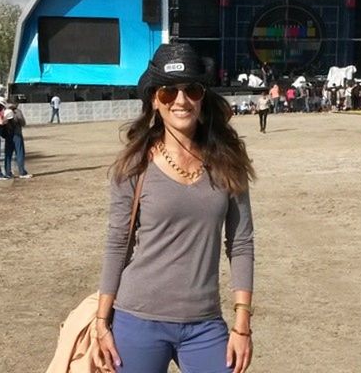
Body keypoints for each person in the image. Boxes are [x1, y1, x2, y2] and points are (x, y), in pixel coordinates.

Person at [95, 43, 255, 373]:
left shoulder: (228, 165)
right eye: (168, 93)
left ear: (202, 97)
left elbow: (240, 244)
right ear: (154, 100)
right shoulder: (134, 166)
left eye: (191, 90)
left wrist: (242, 325)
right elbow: (116, 244)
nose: (180, 101)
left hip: (204, 324)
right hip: (137, 318)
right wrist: (101, 320)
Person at [3, 104, 32, 178]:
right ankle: (22, 172)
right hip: (17, 134)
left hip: (8, 135)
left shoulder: (4, 111)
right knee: (19, 153)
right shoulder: (17, 112)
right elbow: (23, 123)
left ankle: (7, 172)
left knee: (8, 154)